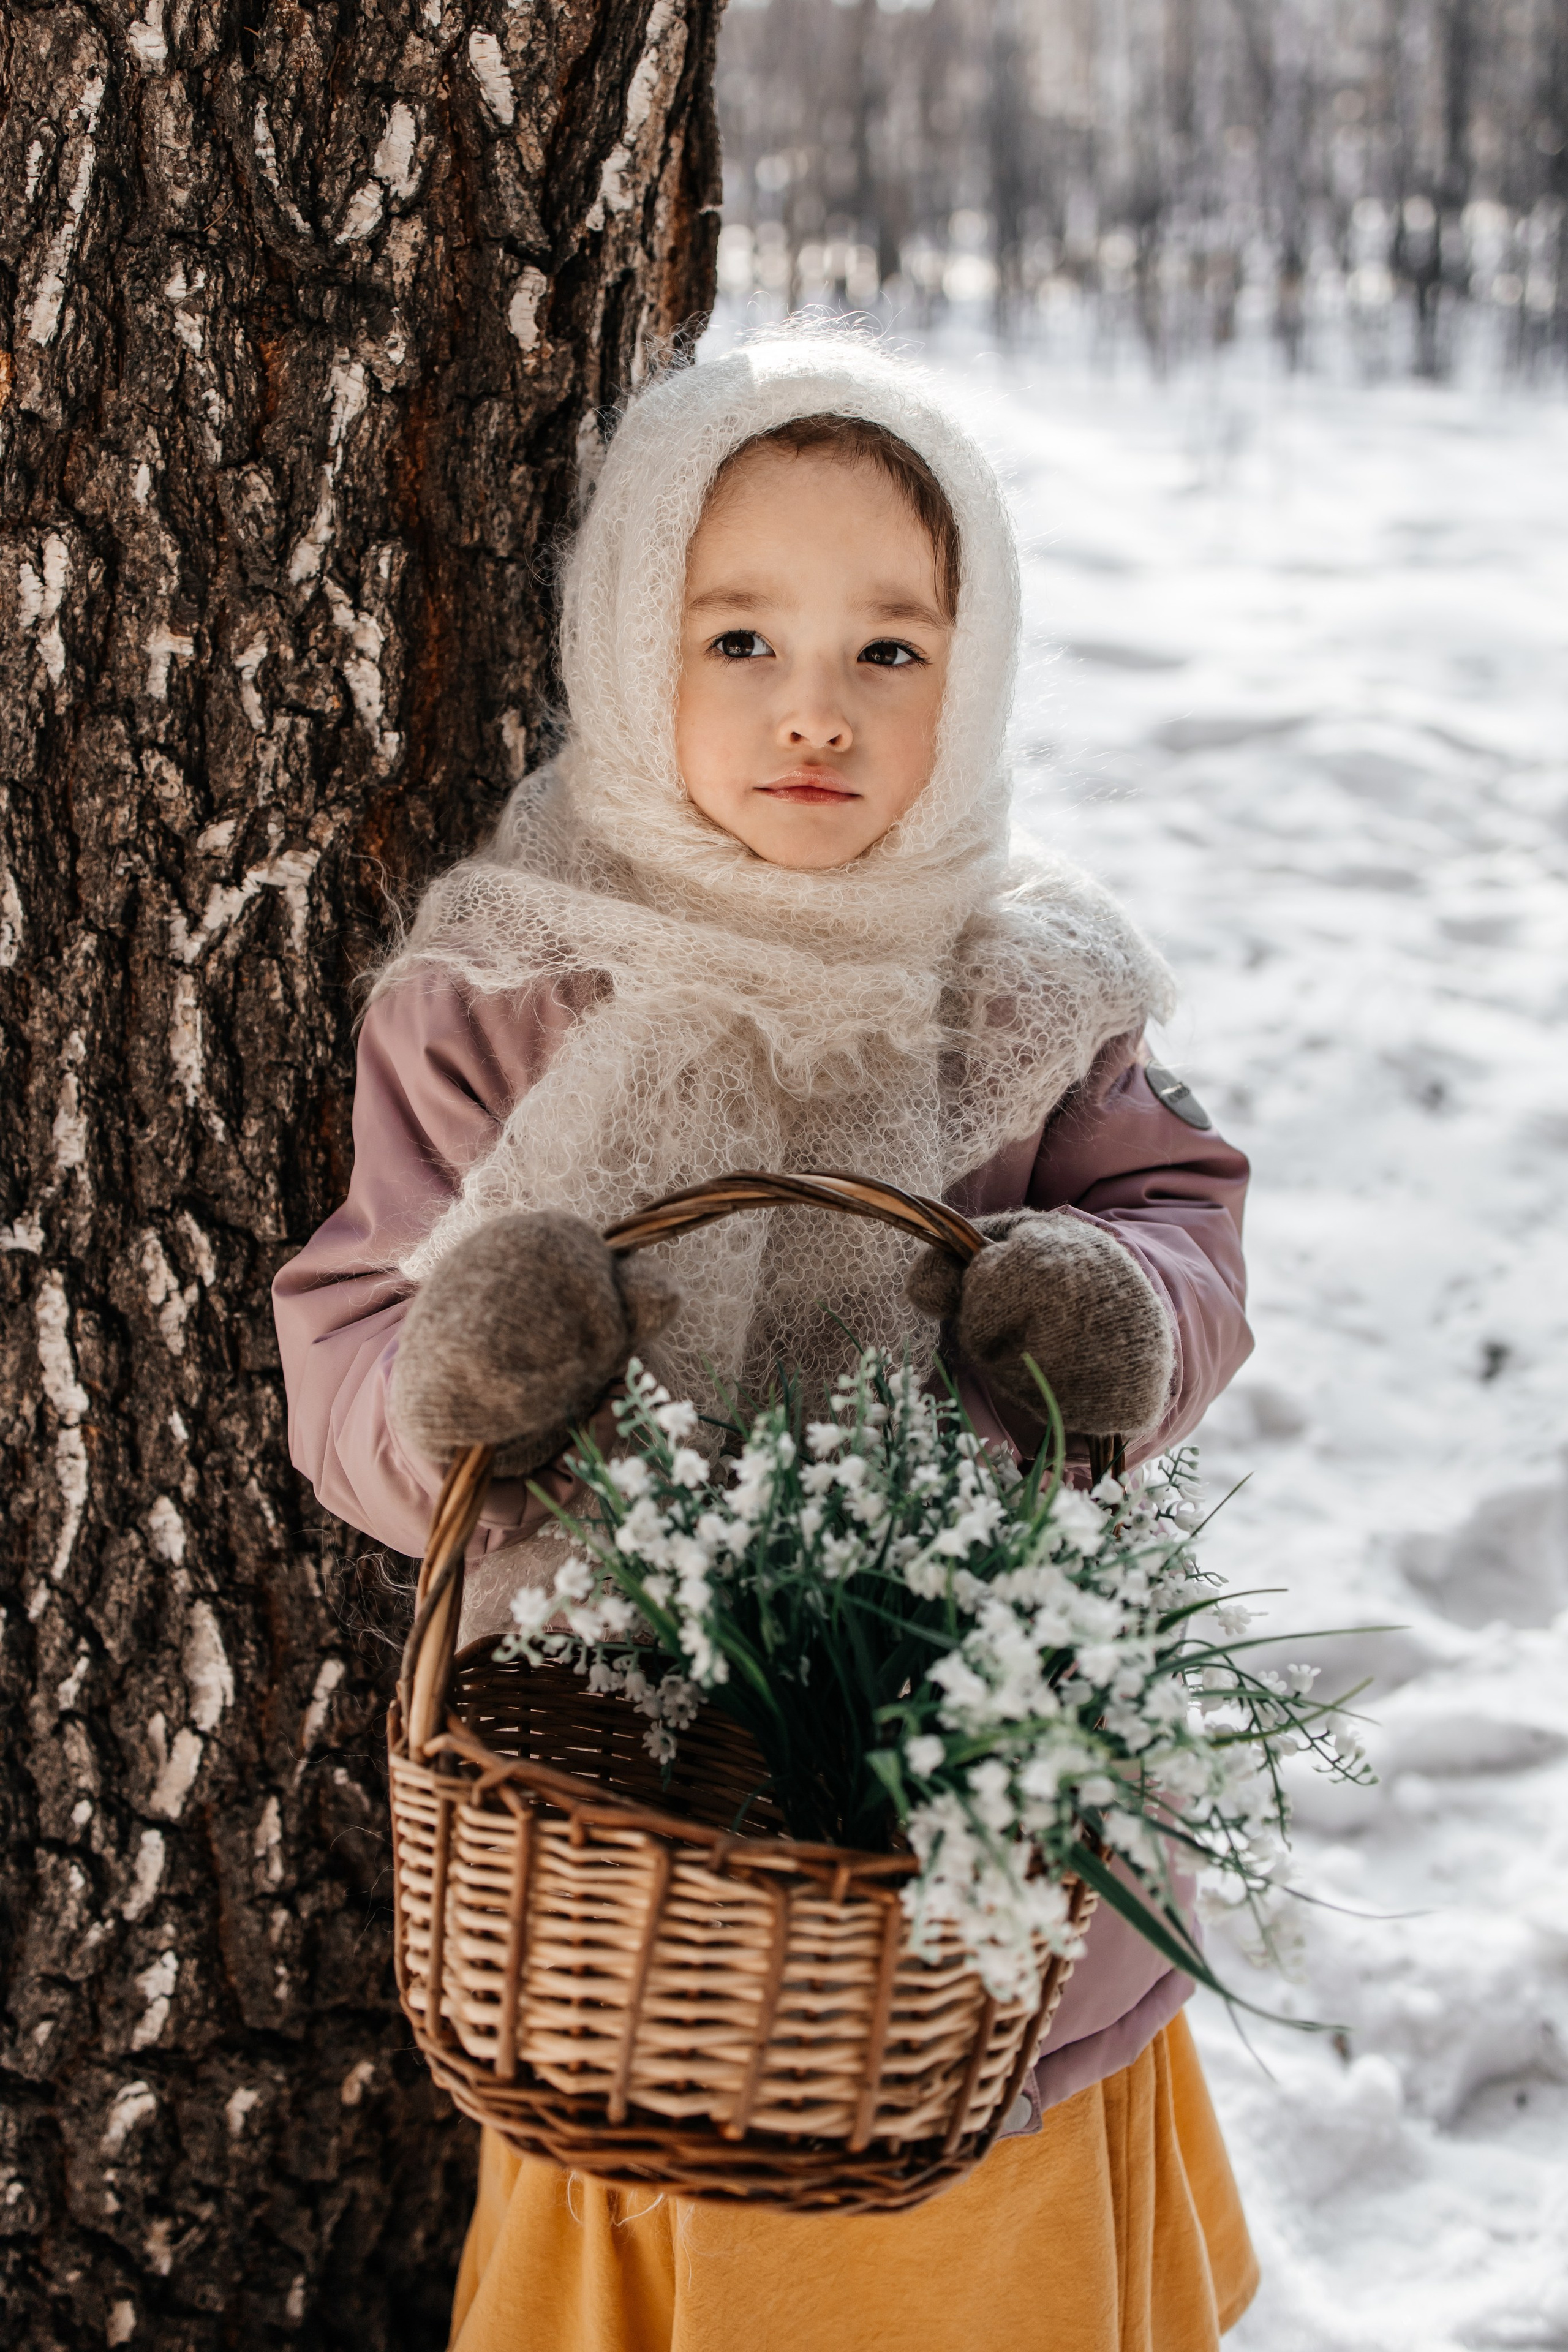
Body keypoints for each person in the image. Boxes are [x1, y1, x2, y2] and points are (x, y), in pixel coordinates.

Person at [274, 327, 1260, 2351]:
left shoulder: (1026, 978)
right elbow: (357, 1320)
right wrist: (455, 1380)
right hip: (627, 1860)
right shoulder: (504, 985)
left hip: (956, 1802)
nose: (815, 712)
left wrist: (1119, 1311)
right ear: (632, 638)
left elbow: (1181, 1212)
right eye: (737, 640)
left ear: (970, 674)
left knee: (975, 2221)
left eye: (891, 652)